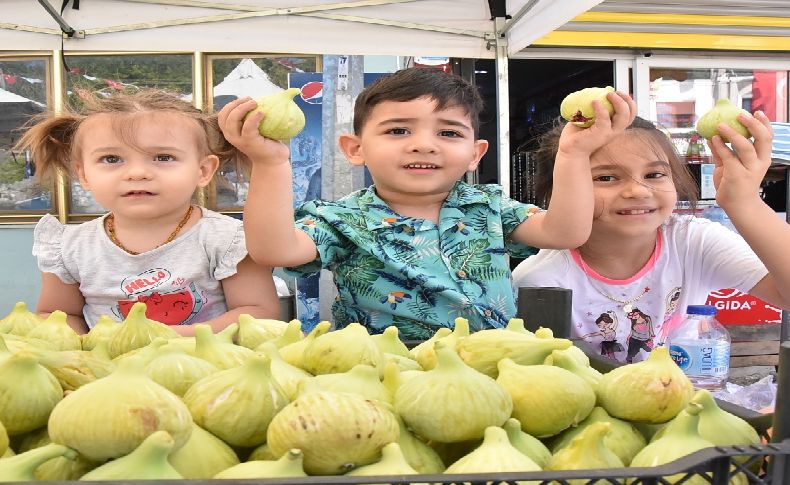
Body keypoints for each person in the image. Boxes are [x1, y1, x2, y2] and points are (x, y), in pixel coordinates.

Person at [219, 67, 636, 340]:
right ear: (354, 148)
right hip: (384, 376)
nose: (424, 144)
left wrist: (574, 155)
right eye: (398, 130)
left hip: (492, 368)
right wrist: (269, 162)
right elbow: (274, 249)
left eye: (449, 133)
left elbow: (566, 232)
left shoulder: (490, 206)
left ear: (476, 154)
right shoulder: (341, 218)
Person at [513, 113, 790, 363]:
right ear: (558, 194)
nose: (638, 191)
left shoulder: (693, 241)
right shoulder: (539, 281)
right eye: (606, 178)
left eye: (654, 174)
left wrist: (744, 202)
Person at [16, 89, 280, 336]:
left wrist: (171, 338)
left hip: (206, 374)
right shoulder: (69, 246)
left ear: (203, 171)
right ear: (84, 174)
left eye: (163, 157)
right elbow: (57, 315)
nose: (137, 173)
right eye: (111, 159)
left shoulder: (228, 239)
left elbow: (259, 313)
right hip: (111, 376)